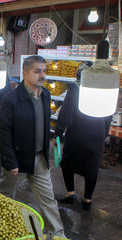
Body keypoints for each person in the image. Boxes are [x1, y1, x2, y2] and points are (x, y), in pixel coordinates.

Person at [0, 56, 65, 237]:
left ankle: (57, 234)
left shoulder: (45, 95)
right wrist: (10, 161)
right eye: (37, 71)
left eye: (44, 70)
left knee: (48, 200)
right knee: (3, 196)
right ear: (25, 73)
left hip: (39, 158)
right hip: (17, 159)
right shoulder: (11, 100)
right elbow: (4, 133)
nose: (42, 75)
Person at [55, 62, 111, 211]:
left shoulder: (75, 88)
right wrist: (105, 133)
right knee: (92, 166)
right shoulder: (104, 89)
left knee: (67, 163)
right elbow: (108, 113)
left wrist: (58, 133)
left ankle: (71, 193)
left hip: (78, 132)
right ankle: (87, 200)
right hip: (97, 133)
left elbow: (66, 111)